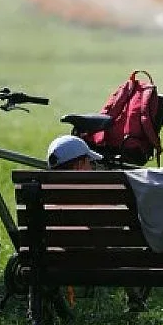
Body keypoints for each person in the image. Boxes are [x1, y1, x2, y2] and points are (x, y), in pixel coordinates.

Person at [46, 134, 150, 312]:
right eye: (89, 162)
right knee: (120, 246)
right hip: (97, 260)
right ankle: (134, 299)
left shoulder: (44, 193)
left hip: (54, 258)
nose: (92, 167)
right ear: (79, 165)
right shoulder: (95, 195)